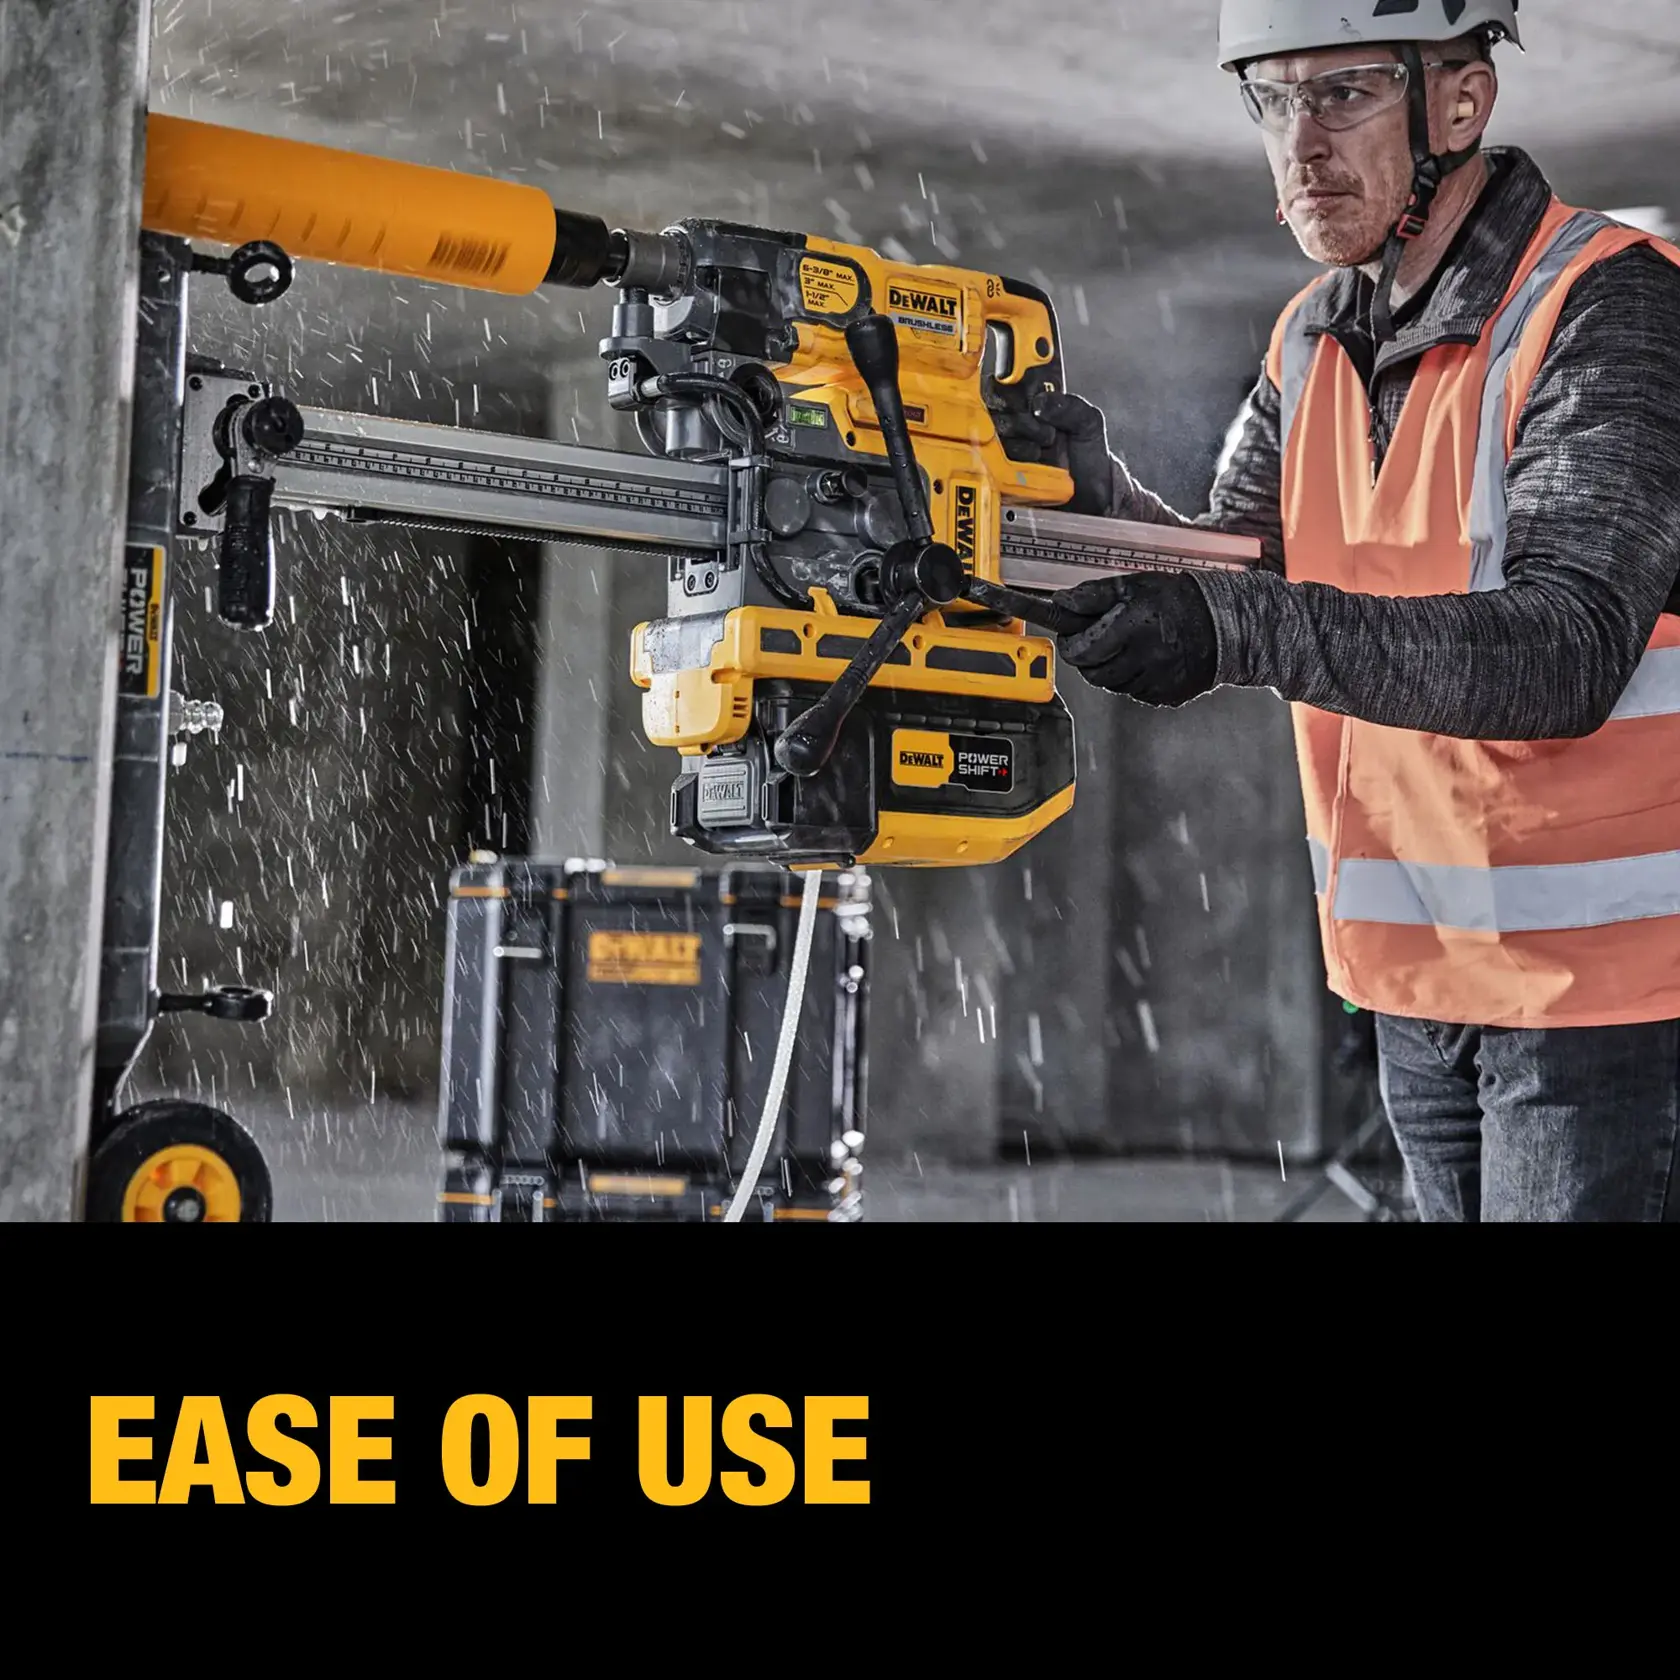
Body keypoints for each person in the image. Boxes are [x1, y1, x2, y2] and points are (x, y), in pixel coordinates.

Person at [992, 0, 1680, 1221]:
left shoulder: (1609, 305)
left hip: (1611, 1000)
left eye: (1344, 93)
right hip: (1422, 980)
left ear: (1460, 103)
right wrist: (1091, 499)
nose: (1299, 142)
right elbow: (1253, 564)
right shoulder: (1313, 334)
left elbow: (1566, 648)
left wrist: (1230, 629)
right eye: (1272, 98)